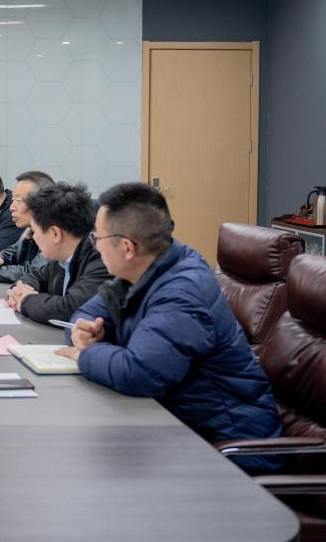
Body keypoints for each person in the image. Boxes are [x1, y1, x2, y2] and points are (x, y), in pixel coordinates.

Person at [57, 182, 282, 469]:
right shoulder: (138, 273)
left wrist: (86, 354)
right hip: (180, 427)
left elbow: (139, 372)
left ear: (127, 247)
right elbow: (83, 315)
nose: (95, 246)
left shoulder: (183, 293)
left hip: (230, 450)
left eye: (97, 238)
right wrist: (82, 331)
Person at [5, 182, 111, 324]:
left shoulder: (101, 258)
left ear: (55, 234)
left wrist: (25, 300)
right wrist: (19, 291)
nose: (34, 238)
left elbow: (70, 309)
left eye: (35, 231)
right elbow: (33, 277)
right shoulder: (62, 258)